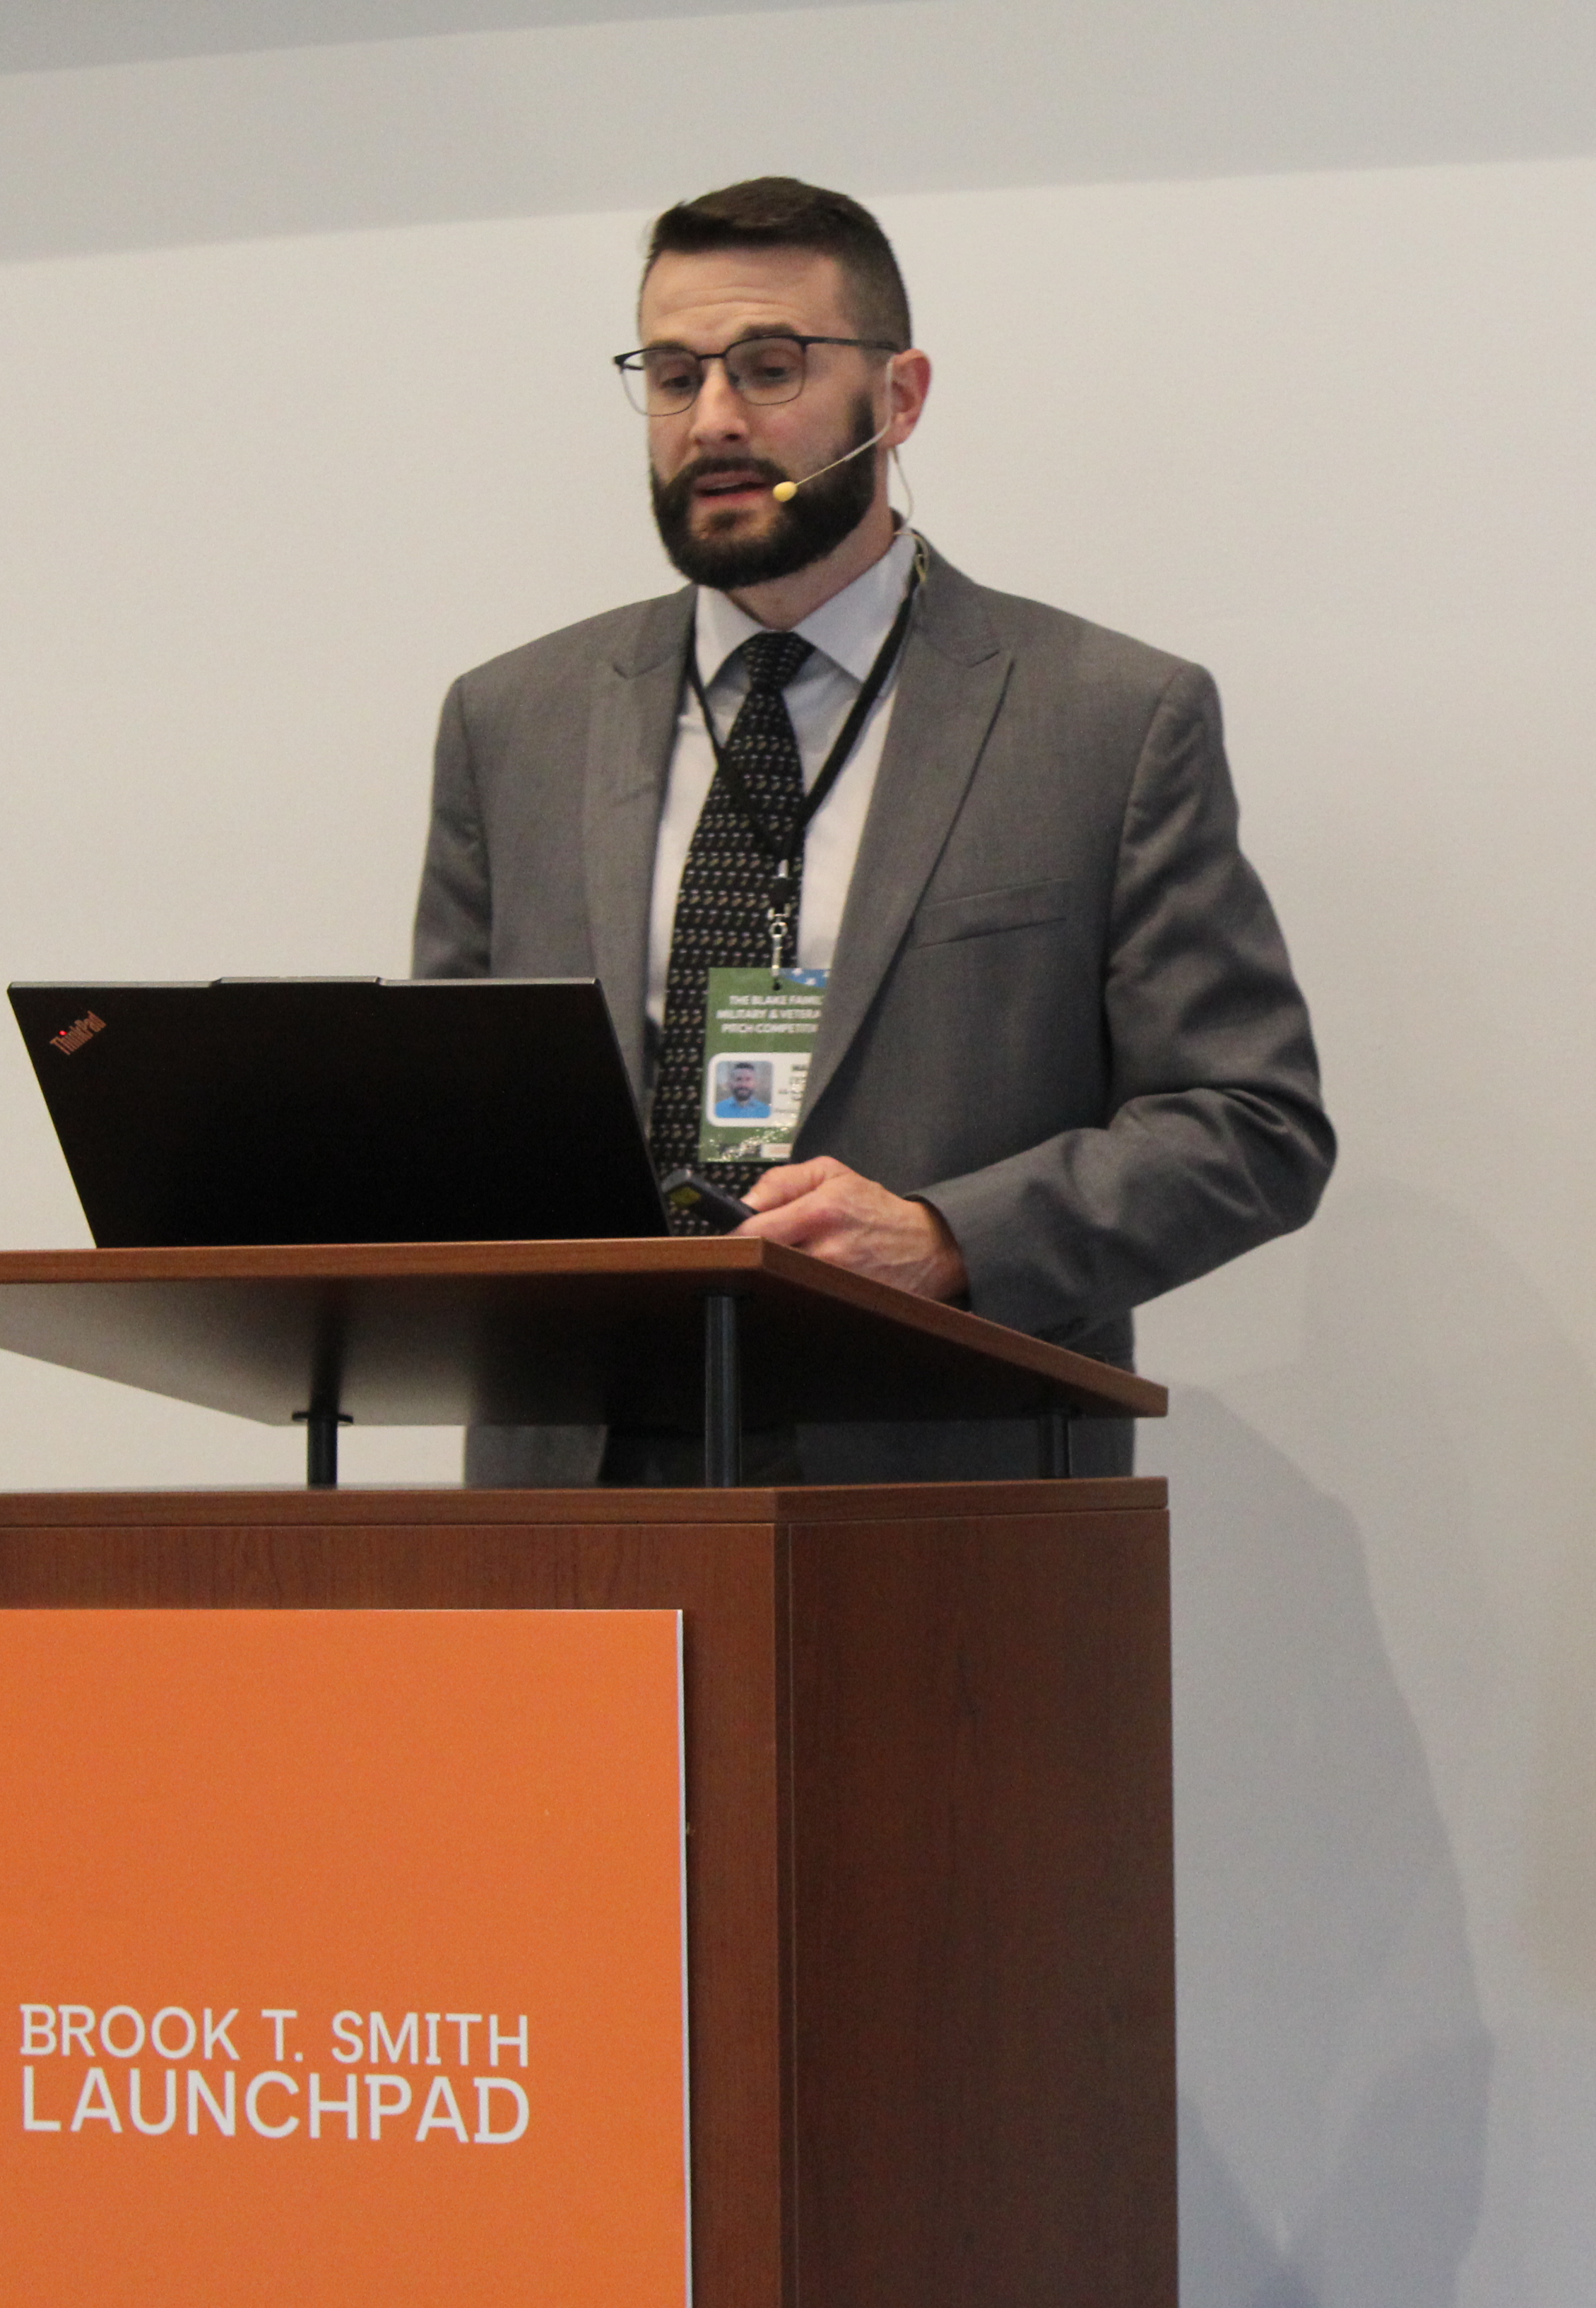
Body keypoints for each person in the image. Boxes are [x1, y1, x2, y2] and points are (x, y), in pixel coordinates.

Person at [414, 177, 1330, 1483]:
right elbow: (461, 1127)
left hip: (943, 1500)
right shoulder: (510, 723)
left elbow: (1251, 1124)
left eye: (769, 367)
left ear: (899, 399)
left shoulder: (1112, 720)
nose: (714, 419)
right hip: (579, 1490)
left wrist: (950, 1237)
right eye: (673, 376)